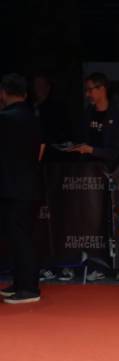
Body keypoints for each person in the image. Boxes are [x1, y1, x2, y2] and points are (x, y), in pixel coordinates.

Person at [0, 74, 42, 304]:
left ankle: (29, 288)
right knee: (22, 237)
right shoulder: (32, 115)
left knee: (20, 239)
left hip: (14, 188)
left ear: (4, 93)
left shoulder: (5, 119)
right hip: (30, 185)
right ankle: (21, 282)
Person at [70, 72, 119, 169]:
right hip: (86, 170)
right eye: (86, 90)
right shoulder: (88, 113)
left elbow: (116, 152)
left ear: (102, 89)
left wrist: (91, 150)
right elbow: (81, 138)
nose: (87, 94)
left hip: (110, 171)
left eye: (89, 90)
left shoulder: (118, 116)